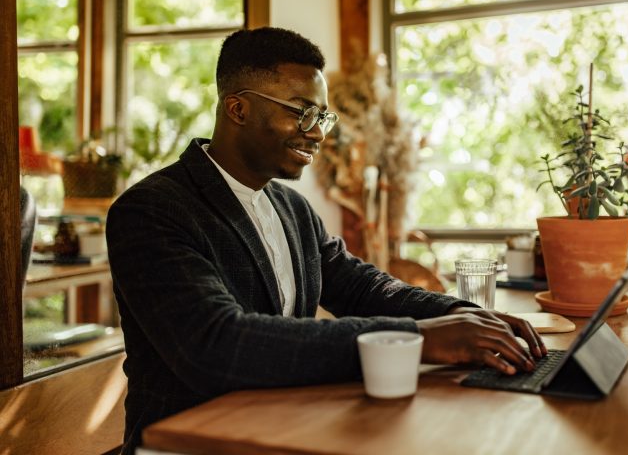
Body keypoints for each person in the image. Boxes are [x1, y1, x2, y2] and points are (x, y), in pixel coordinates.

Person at [107, 27, 546, 454]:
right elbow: (216, 344)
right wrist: (419, 337)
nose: (317, 132)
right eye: (300, 111)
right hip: (189, 443)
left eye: (321, 116)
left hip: (286, 427)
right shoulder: (151, 210)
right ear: (237, 109)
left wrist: (462, 315)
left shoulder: (290, 207)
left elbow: (364, 288)